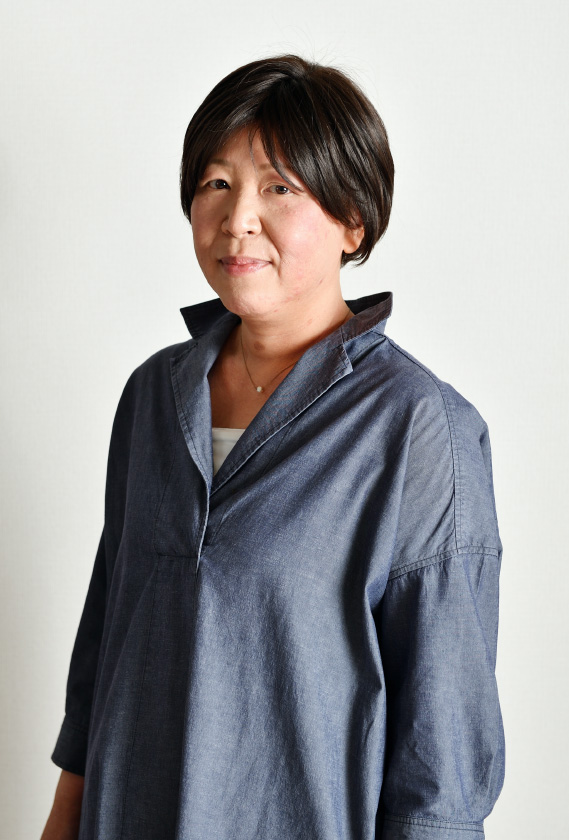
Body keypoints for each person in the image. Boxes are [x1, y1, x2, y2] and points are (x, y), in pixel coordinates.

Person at [41, 55, 504, 840]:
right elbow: (103, 649)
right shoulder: (153, 397)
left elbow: (443, 745)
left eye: (278, 188)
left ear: (353, 219)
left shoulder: (420, 428)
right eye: (216, 183)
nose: (237, 219)